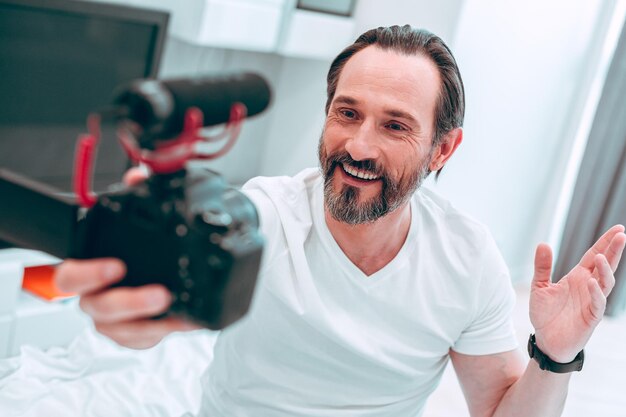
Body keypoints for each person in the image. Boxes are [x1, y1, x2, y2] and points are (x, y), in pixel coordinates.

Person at [56, 25, 626, 416]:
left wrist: (554, 354)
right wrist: (131, 301)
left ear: (443, 150)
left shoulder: (467, 259)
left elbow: (500, 408)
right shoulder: (263, 216)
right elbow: (152, 316)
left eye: (395, 126)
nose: (357, 146)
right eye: (346, 113)